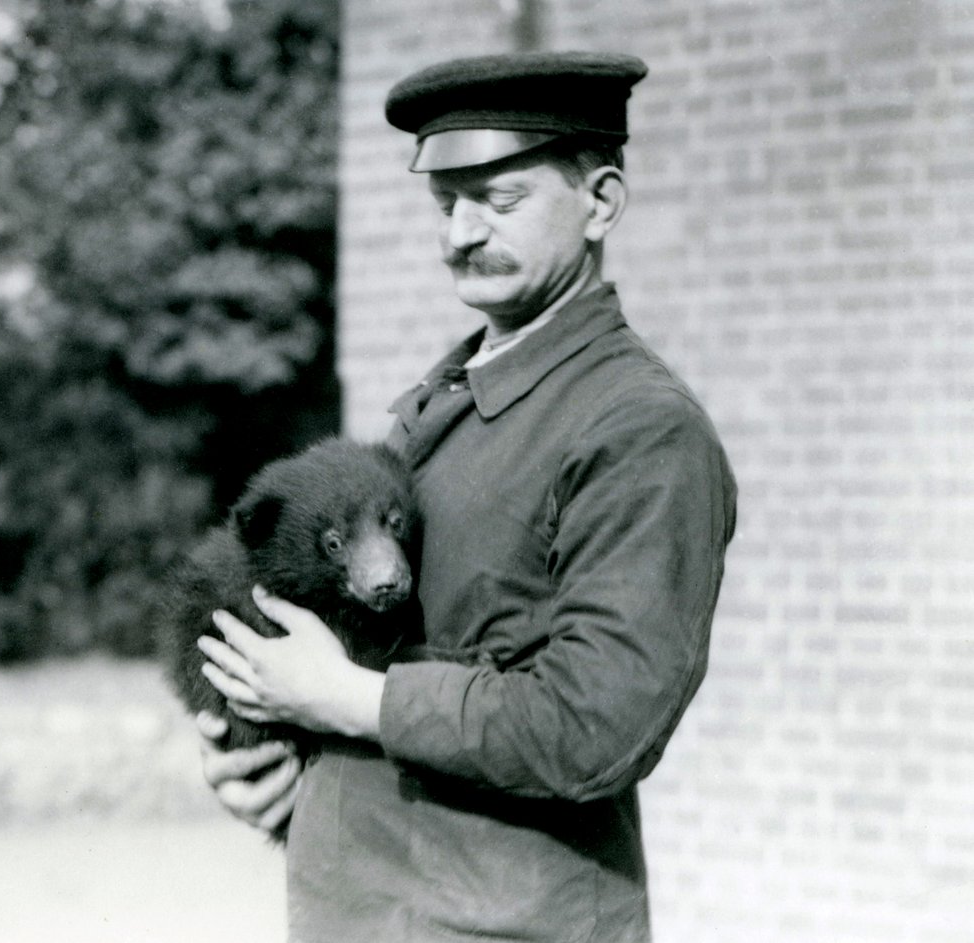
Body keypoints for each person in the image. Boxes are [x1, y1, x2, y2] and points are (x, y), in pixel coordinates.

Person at [195, 51, 737, 943]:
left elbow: (596, 723)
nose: (460, 233)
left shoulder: (640, 429)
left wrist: (344, 699)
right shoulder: (435, 409)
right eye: (446, 201)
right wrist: (264, 755)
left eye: (502, 199)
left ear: (601, 200)